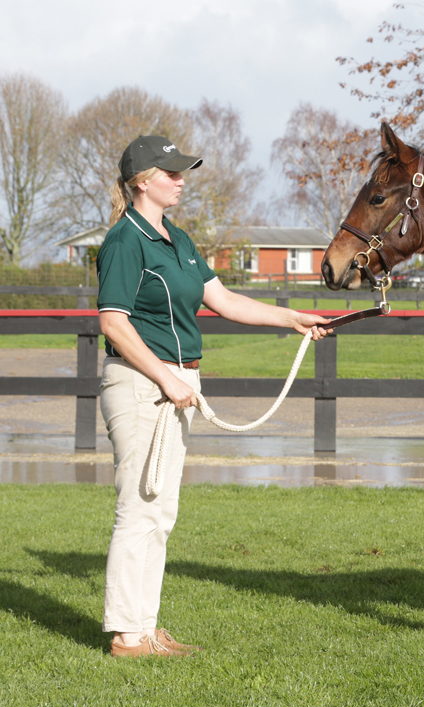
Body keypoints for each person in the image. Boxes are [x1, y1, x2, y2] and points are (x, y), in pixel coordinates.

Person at [97, 135, 332, 657]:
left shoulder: (176, 239)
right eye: (171, 172)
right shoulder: (125, 240)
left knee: (161, 511)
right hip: (142, 386)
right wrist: (166, 379)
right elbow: (113, 322)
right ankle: (127, 635)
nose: (181, 180)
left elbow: (222, 299)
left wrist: (292, 318)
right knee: (139, 508)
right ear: (142, 182)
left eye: (182, 172)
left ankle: (145, 627)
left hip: (175, 385)